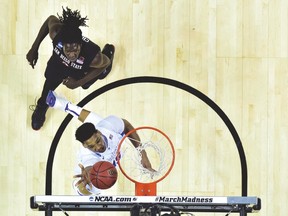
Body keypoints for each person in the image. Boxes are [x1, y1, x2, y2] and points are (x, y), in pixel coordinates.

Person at [46, 90, 154, 195]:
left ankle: (62, 104)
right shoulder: (88, 155)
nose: (99, 147)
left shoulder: (109, 125)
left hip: (104, 130)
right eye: (92, 146)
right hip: (98, 166)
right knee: (87, 188)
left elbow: (127, 126)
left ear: (98, 132)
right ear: (85, 145)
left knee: (93, 119)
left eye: (98, 141)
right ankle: (87, 189)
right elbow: (89, 167)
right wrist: (89, 174)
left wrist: (142, 153)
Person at [26, 7, 115, 130]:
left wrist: (78, 82)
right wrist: (34, 48)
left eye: (75, 49)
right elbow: (50, 20)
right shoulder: (56, 33)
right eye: (68, 49)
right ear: (62, 44)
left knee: (87, 84)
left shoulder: (93, 56)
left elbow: (106, 62)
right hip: (58, 66)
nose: (72, 54)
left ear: (80, 44)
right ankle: (41, 107)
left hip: (80, 71)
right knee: (48, 84)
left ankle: (106, 60)